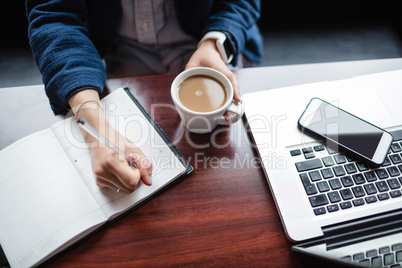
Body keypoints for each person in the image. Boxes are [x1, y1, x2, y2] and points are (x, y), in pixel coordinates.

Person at [26, 0, 263, 194]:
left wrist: (213, 44)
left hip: (211, 46)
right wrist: (93, 128)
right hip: (113, 55)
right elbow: (54, 15)